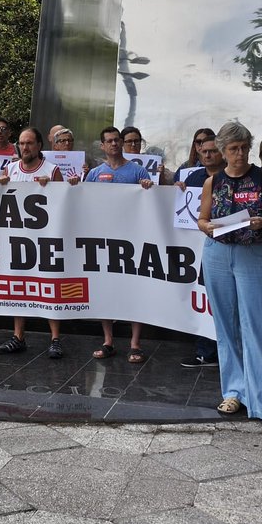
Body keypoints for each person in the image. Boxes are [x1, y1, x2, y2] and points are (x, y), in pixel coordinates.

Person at [196, 121, 262, 436]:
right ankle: (234, 391)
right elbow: (203, 218)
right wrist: (207, 227)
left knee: (259, 327)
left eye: (243, 148)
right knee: (225, 325)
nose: (238, 154)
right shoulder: (214, 181)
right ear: (222, 150)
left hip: (254, 254)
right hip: (218, 253)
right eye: (232, 149)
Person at [85, 127, 154, 363]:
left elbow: (151, 202)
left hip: (132, 240)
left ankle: (135, 343)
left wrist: (148, 187)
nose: (114, 144)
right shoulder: (94, 174)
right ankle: (108, 341)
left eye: (117, 140)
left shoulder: (138, 171)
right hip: (103, 241)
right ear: (102, 146)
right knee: (106, 291)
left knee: (134, 290)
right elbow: (84, 203)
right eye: (109, 141)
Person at [0, 128, 65, 357]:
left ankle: (55, 339)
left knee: (50, 285)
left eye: (29, 143)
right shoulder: (10, 169)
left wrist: (52, 187)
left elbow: (63, 203)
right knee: (18, 285)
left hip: (45, 239)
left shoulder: (52, 170)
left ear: (38, 146)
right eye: (22, 143)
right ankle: (18, 336)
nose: (25, 147)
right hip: (18, 239)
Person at [178, 134, 225, 369]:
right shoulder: (193, 177)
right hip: (195, 248)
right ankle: (205, 351)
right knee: (203, 297)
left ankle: (226, 351)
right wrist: (176, 191)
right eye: (203, 151)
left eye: (212, 151)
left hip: (225, 247)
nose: (207, 155)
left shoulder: (232, 176)